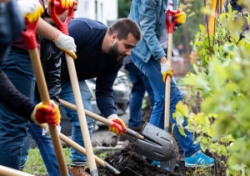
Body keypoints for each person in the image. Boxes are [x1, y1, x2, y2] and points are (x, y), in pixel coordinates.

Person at [20, 17, 141, 176]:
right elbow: (45, 48)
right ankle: (16, 167)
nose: (129, 53)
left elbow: (104, 91)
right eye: (128, 46)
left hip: (69, 81)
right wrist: (49, 94)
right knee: (31, 123)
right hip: (40, 74)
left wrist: (112, 116)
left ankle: (77, 167)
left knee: (84, 118)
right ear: (114, 37)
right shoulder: (84, 30)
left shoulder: (115, 59)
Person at [128, 0, 214, 168]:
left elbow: (163, 25)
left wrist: (175, 22)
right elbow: (145, 30)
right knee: (174, 97)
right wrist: (162, 59)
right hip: (145, 51)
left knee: (162, 99)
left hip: (157, 50)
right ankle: (192, 153)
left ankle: (153, 152)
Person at [0, 0, 76, 171]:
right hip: (19, 53)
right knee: (13, 128)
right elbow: (26, 14)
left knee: (15, 125)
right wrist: (57, 36)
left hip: (19, 54)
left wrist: (30, 110)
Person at [123, 56, 154, 132]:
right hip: (142, 60)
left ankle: (134, 124)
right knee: (153, 91)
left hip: (129, 61)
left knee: (137, 91)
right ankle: (157, 124)